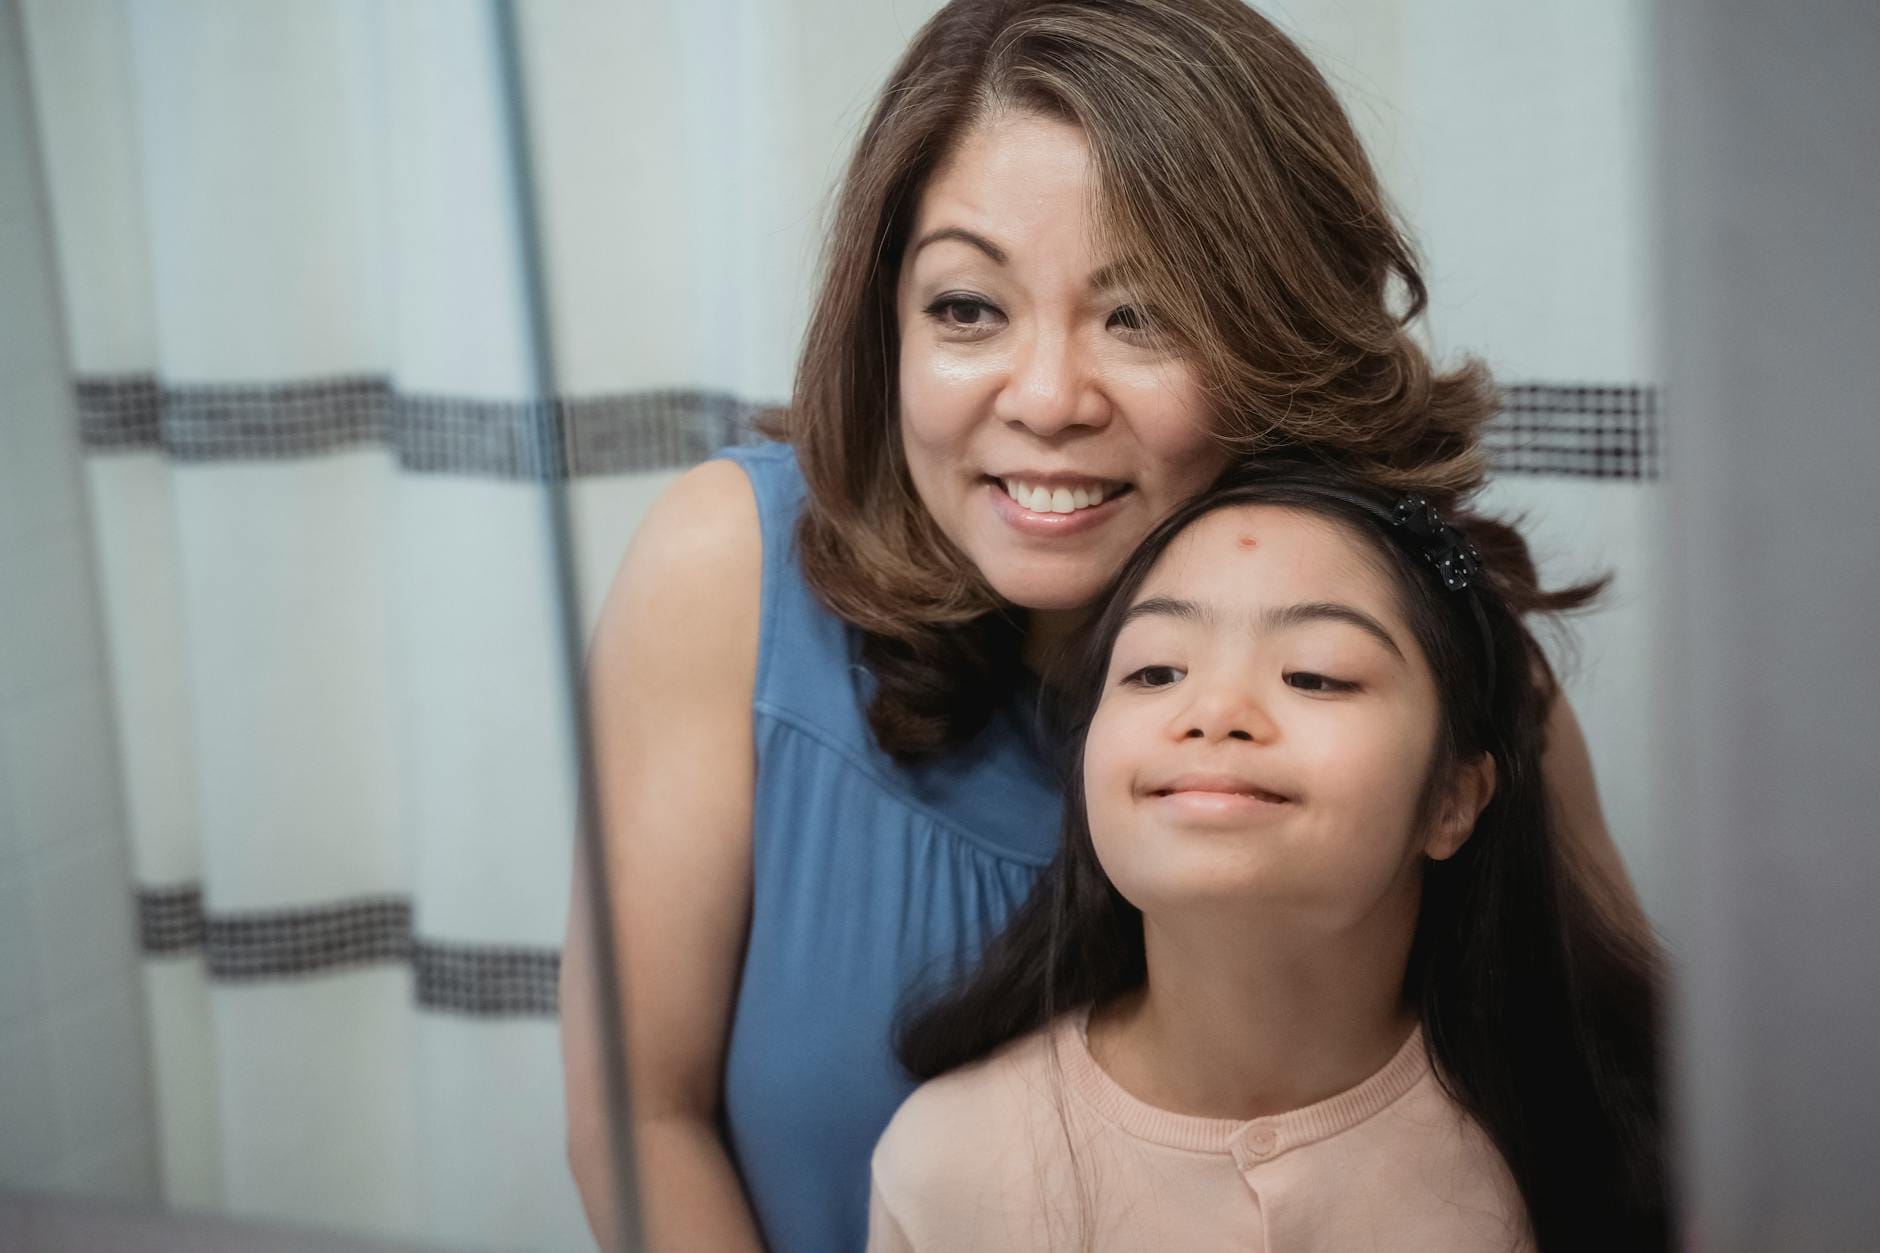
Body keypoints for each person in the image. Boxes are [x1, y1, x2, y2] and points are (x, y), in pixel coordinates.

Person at [558, 2, 1647, 1250]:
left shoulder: (1434, 665)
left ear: (1277, 338)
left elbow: (1619, 1107)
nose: (1045, 399)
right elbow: (638, 1113)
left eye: (1140, 316)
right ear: (884, 317)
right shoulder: (728, 568)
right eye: (966, 308)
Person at [871, 466, 1667, 1252]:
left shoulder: (1593, 1151)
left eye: (1315, 675)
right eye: (1156, 671)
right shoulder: (948, 1167)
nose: (1215, 711)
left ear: (1452, 799)